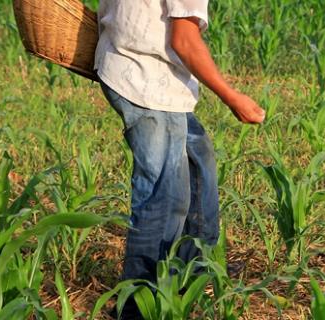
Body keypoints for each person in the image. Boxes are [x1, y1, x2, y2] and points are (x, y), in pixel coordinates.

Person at [94, 0, 265, 318]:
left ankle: (193, 271)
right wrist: (233, 97)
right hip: (143, 79)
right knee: (166, 193)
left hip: (142, 70)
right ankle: (140, 304)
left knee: (198, 164)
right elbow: (184, 41)